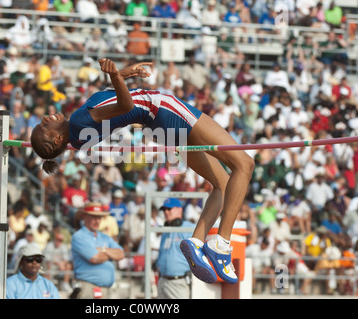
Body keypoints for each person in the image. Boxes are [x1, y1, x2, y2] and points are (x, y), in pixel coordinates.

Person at [29, 58, 255, 285]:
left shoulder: (77, 138)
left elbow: (108, 102)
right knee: (244, 164)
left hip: (157, 125)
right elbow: (126, 106)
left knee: (223, 185)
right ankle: (222, 243)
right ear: (57, 139)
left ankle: (197, 242)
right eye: (45, 126)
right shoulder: (78, 122)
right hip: (162, 109)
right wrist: (116, 76)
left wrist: (121, 75)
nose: (46, 119)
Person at [70, 202, 124, 299]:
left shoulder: (105, 237)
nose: (97, 221)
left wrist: (103, 250)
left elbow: (121, 254)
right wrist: (111, 254)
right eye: (94, 217)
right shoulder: (79, 236)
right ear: (85, 217)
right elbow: (94, 258)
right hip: (87, 288)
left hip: (105, 289)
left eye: (99, 217)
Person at [156, 198, 195, 299]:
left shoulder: (189, 228)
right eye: (164, 210)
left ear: (179, 210)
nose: (166, 212)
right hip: (163, 280)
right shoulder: (166, 230)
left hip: (179, 282)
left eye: (169, 209)